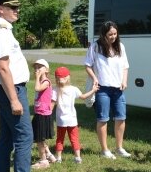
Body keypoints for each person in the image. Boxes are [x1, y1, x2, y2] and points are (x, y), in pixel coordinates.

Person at [0, 0, 47, 172]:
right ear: (0, 9)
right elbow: (3, 67)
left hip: (6, 88)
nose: (16, 11)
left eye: (17, 7)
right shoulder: (1, 30)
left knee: (7, 138)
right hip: (10, 89)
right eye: (12, 8)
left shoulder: (2, 28)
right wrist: (14, 99)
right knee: (24, 136)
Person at [85, 20, 131, 159]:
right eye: (110, 34)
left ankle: (119, 148)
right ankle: (105, 150)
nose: (113, 37)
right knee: (103, 118)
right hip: (102, 88)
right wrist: (94, 78)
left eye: (115, 33)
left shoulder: (120, 47)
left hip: (118, 88)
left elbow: (125, 66)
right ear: (104, 34)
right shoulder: (95, 47)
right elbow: (88, 65)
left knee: (121, 118)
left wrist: (124, 81)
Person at [51, 66, 98, 163]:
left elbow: (51, 104)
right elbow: (84, 97)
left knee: (60, 139)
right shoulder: (74, 89)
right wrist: (93, 90)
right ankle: (77, 158)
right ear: (68, 77)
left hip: (60, 120)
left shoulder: (54, 90)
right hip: (72, 120)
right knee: (74, 139)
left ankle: (58, 158)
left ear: (56, 78)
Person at [31, 59, 57, 170]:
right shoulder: (41, 81)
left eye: (39, 67)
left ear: (46, 70)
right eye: (35, 67)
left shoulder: (46, 82)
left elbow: (37, 88)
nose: (37, 69)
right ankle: (50, 156)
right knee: (39, 137)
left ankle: (43, 160)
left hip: (43, 114)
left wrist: (37, 78)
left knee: (39, 139)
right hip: (38, 113)